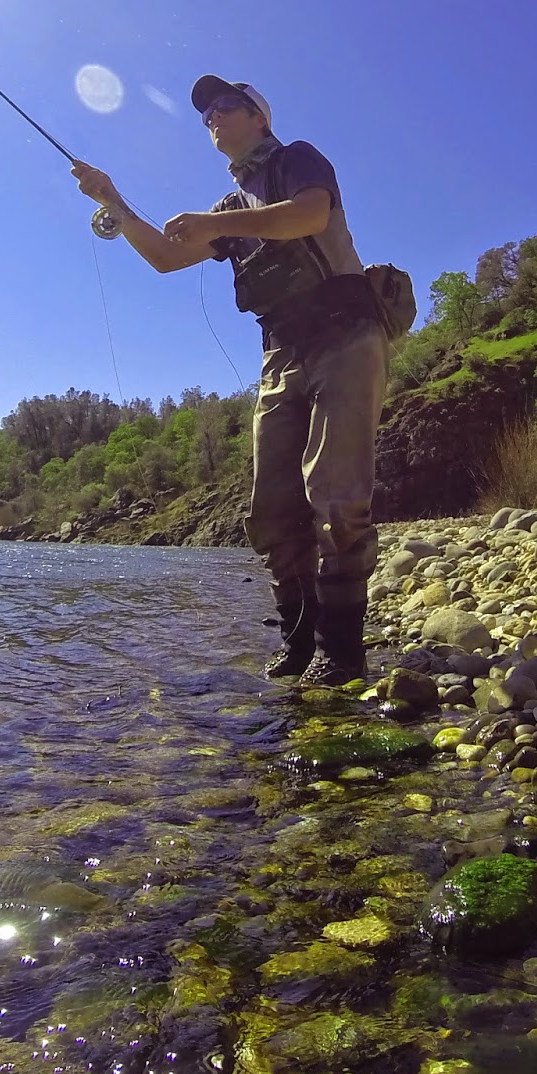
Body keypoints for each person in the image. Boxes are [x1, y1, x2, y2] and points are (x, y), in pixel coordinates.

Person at [72, 75, 387, 688]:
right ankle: (297, 640)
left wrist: (210, 223)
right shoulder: (226, 210)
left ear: (258, 117)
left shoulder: (298, 158)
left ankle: (342, 651)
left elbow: (309, 215)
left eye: (225, 107)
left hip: (347, 336)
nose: (212, 118)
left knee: (337, 496)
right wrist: (113, 199)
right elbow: (165, 257)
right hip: (281, 353)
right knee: (271, 509)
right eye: (206, 113)